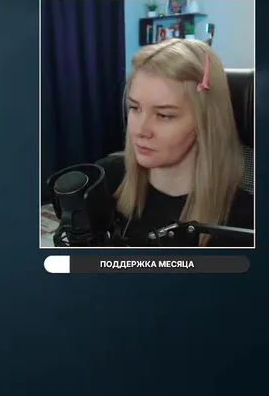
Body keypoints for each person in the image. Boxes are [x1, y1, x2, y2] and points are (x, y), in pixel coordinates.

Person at [96, 38, 254, 247]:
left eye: (164, 115)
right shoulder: (104, 179)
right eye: (135, 108)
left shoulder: (246, 218)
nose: (140, 131)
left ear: (205, 121)